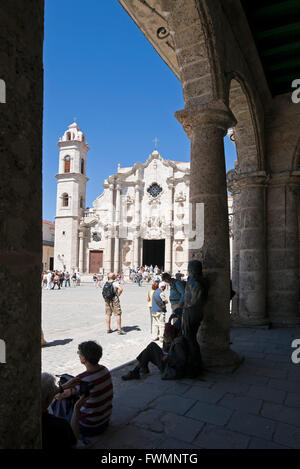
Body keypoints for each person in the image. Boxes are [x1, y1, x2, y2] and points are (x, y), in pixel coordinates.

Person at [53, 341, 113, 439]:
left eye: (79, 353)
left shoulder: (83, 379)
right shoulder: (105, 370)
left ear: (84, 359)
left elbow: (57, 395)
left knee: (61, 400)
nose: (78, 356)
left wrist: (63, 387)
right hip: (104, 422)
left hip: (88, 427)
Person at [121, 322, 188, 381]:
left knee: (151, 347)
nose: (165, 336)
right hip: (168, 363)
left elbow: (181, 361)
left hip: (169, 368)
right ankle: (142, 367)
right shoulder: (175, 340)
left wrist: (168, 357)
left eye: (166, 334)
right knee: (151, 347)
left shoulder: (177, 343)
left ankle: (138, 369)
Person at [182, 260, 209, 378]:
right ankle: (195, 364)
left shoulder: (194, 280)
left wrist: (188, 306)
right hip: (197, 312)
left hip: (191, 312)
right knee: (191, 338)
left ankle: (194, 366)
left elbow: (197, 295)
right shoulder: (201, 279)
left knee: (190, 338)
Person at [41, 372, 79, 448]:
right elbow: (74, 442)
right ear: (48, 399)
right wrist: (77, 408)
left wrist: (63, 387)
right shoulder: (61, 425)